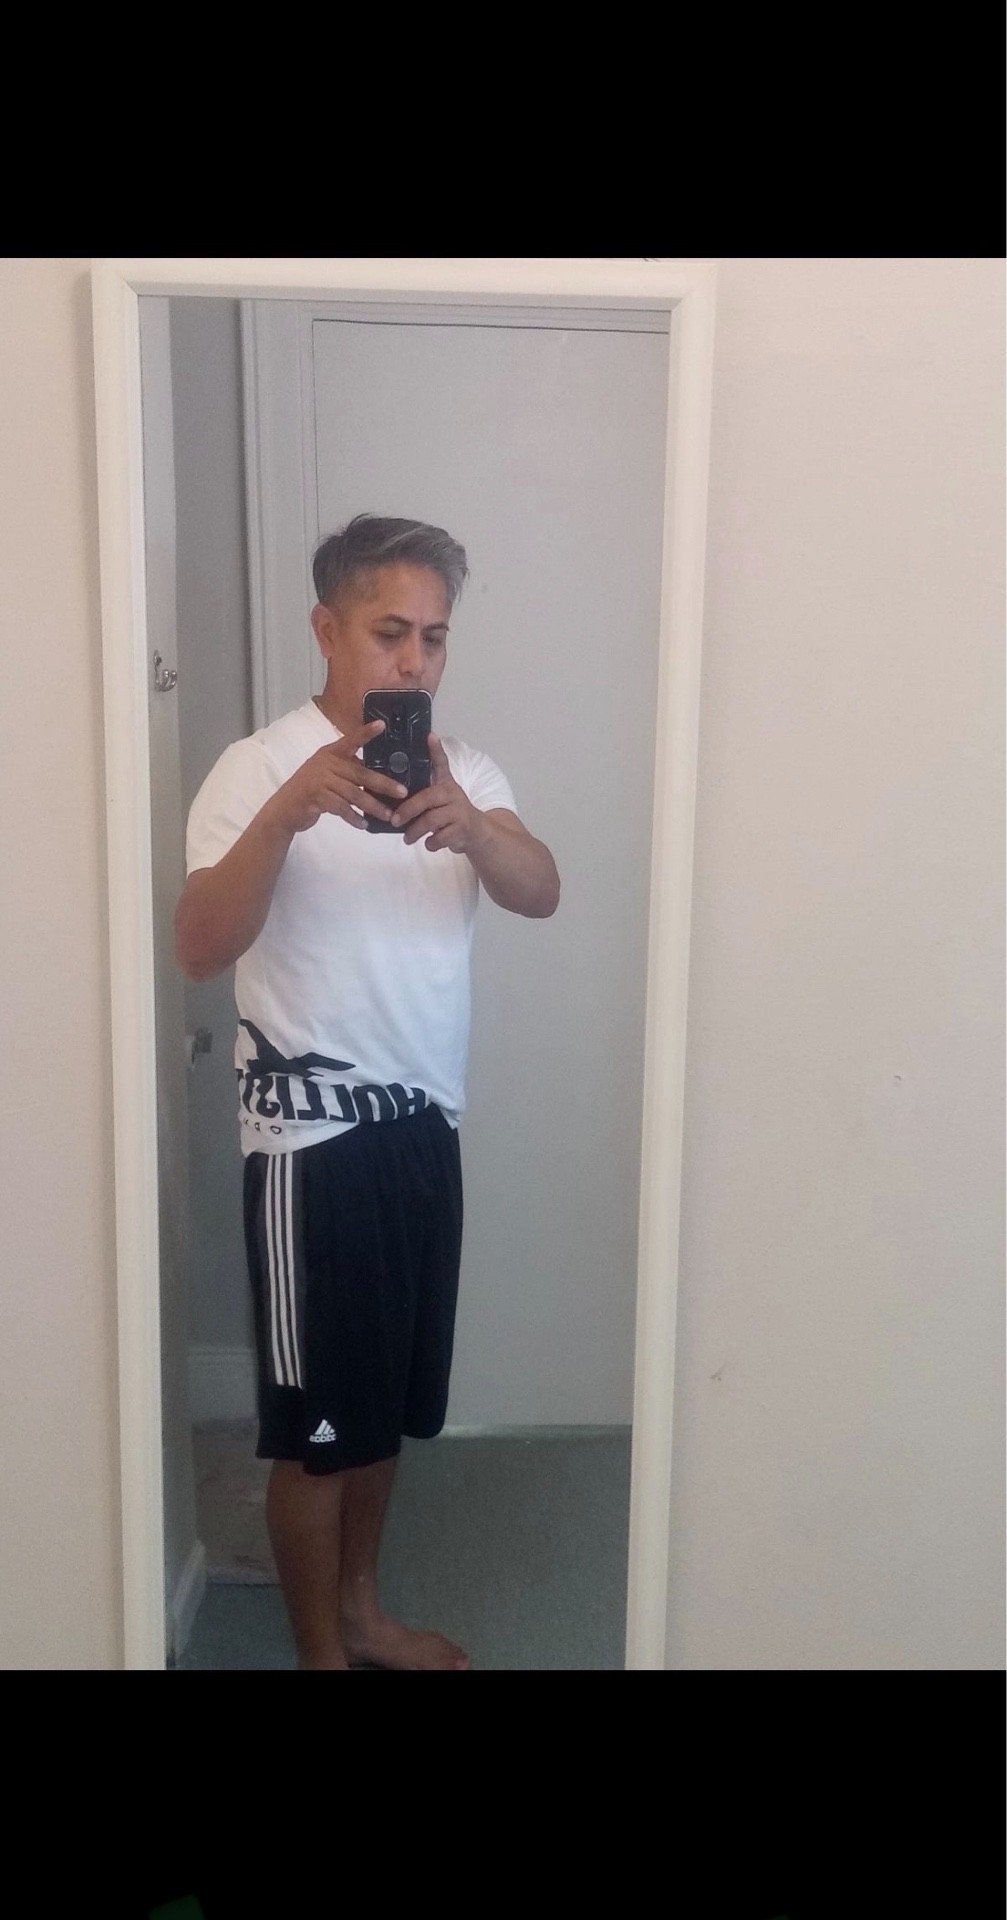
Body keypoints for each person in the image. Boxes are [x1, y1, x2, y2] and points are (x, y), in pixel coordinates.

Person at [175, 514, 560, 1670]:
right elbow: (199, 946)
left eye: (432, 638)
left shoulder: (464, 771)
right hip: (310, 1146)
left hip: (422, 1128)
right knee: (316, 1435)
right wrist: (287, 813)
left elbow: (541, 889)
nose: (414, 661)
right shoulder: (255, 768)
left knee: (383, 1409)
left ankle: (359, 1614)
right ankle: (320, 1657)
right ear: (326, 629)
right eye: (390, 632)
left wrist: (475, 832)